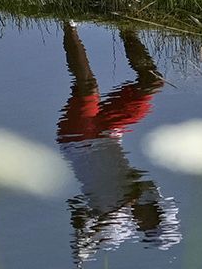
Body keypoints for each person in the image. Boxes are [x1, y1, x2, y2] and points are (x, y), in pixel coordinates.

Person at [56, 22, 179, 264]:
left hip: (78, 140)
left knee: (87, 86)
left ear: (144, 229)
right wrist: (122, 207)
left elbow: (79, 216)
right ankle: (127, 27)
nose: (153, 213)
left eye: (152, 221)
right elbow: (138, 191)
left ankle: (69, 24)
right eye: (157, 215)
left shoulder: (114, 230)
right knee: (152, 83)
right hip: (108, 134)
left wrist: (84, 242)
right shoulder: (148, 200)